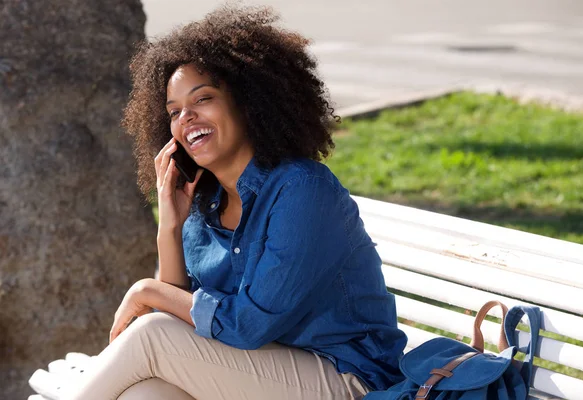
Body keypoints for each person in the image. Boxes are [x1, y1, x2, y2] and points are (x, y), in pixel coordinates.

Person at [65, 5, 407, 400]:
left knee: (151, 336)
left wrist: (147, 290)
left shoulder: (302, 191)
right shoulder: (204, 204)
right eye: (174, 112)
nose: (186, 118)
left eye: (203, 98)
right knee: (146, 394)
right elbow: (182, 316)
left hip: (348, 379)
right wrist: (170, 226)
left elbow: (245, 325)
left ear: (248, 101)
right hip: (256, 370)